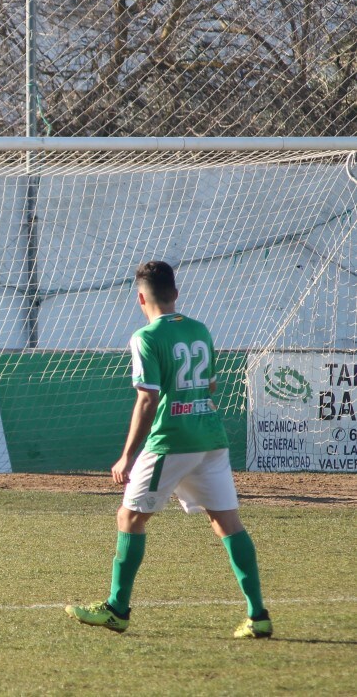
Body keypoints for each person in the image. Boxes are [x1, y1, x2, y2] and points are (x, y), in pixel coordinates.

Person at [66, 260, 271, 639]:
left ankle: (117, 609)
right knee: (227, 523)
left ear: (139, 298)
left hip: (170, 441)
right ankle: (258, 615)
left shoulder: (145, 337)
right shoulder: (199, 329)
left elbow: (148, 399)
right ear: (175, 294)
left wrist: (127, 455)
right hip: (210, 439)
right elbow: (209, 387)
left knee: (130, 519)